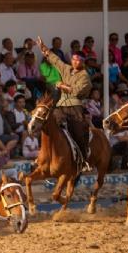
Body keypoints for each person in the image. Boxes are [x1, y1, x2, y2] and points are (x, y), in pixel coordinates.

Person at [36, 36, 92, 171]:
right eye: (73, 59)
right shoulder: (66, 69)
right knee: (46, 124)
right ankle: (42, 154)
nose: (75, 61)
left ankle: (84, 160)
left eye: (78, 60)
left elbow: (77, 92)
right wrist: (44, 49)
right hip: (60, 105)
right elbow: (56, 60)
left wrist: (62, 86)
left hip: (75, 107)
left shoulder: (84, 76)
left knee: (77, 132)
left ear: (83, 62)